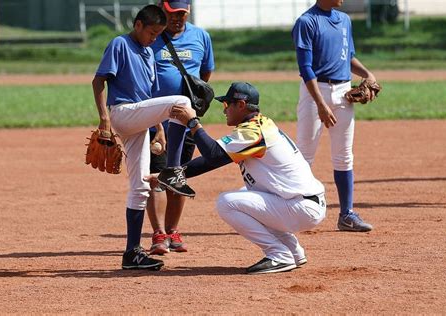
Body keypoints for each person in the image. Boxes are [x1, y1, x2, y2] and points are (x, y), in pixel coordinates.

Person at [146, 82, 327, 274]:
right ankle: (293, 250)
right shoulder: (260, 125)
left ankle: (278, 254)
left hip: (300, 207)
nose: (224, 111)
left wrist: (193, 123)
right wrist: (169, 175)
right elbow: (213, 161)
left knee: (227, 203)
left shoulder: (254, 132)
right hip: (300, 203)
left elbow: (213, 154)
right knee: (246, 194)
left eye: (227, 105)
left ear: (241, 105)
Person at [91, 4, 196, 271]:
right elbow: (98, 81)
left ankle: (132, 253)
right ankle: (173, 168)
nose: (153, 38)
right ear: (138, 25)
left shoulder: (149, 52)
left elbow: (148, 99)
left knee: (140, 187)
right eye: (151, 32)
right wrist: (104, 119)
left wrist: (159, 128)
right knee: (182, 100)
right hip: (123, 112)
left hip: (140, 120)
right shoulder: (120, 44)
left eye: (158, 33)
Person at [291, 0, 377, 232]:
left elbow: (347, 57)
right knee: (305, 155)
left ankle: (346, 215)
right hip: (314, 92)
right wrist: (320, 103)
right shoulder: (306, 22)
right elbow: (305, 67)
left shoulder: (345, 20)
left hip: (343, 92)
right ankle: (296, 211)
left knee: (344, 155)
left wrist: (368, 74)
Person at [145, 0, 215, 255]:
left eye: (182, 14)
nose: (177, 18)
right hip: (157, 123)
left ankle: (173, 230)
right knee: (157, 177)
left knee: (179, 175)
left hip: (185, 124)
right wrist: (154, 122)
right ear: (163, 11)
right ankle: (158, 234)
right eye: (172, 13)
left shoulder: (201, 37)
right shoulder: (152, 38)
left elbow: (204, 75)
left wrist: (192, 106)